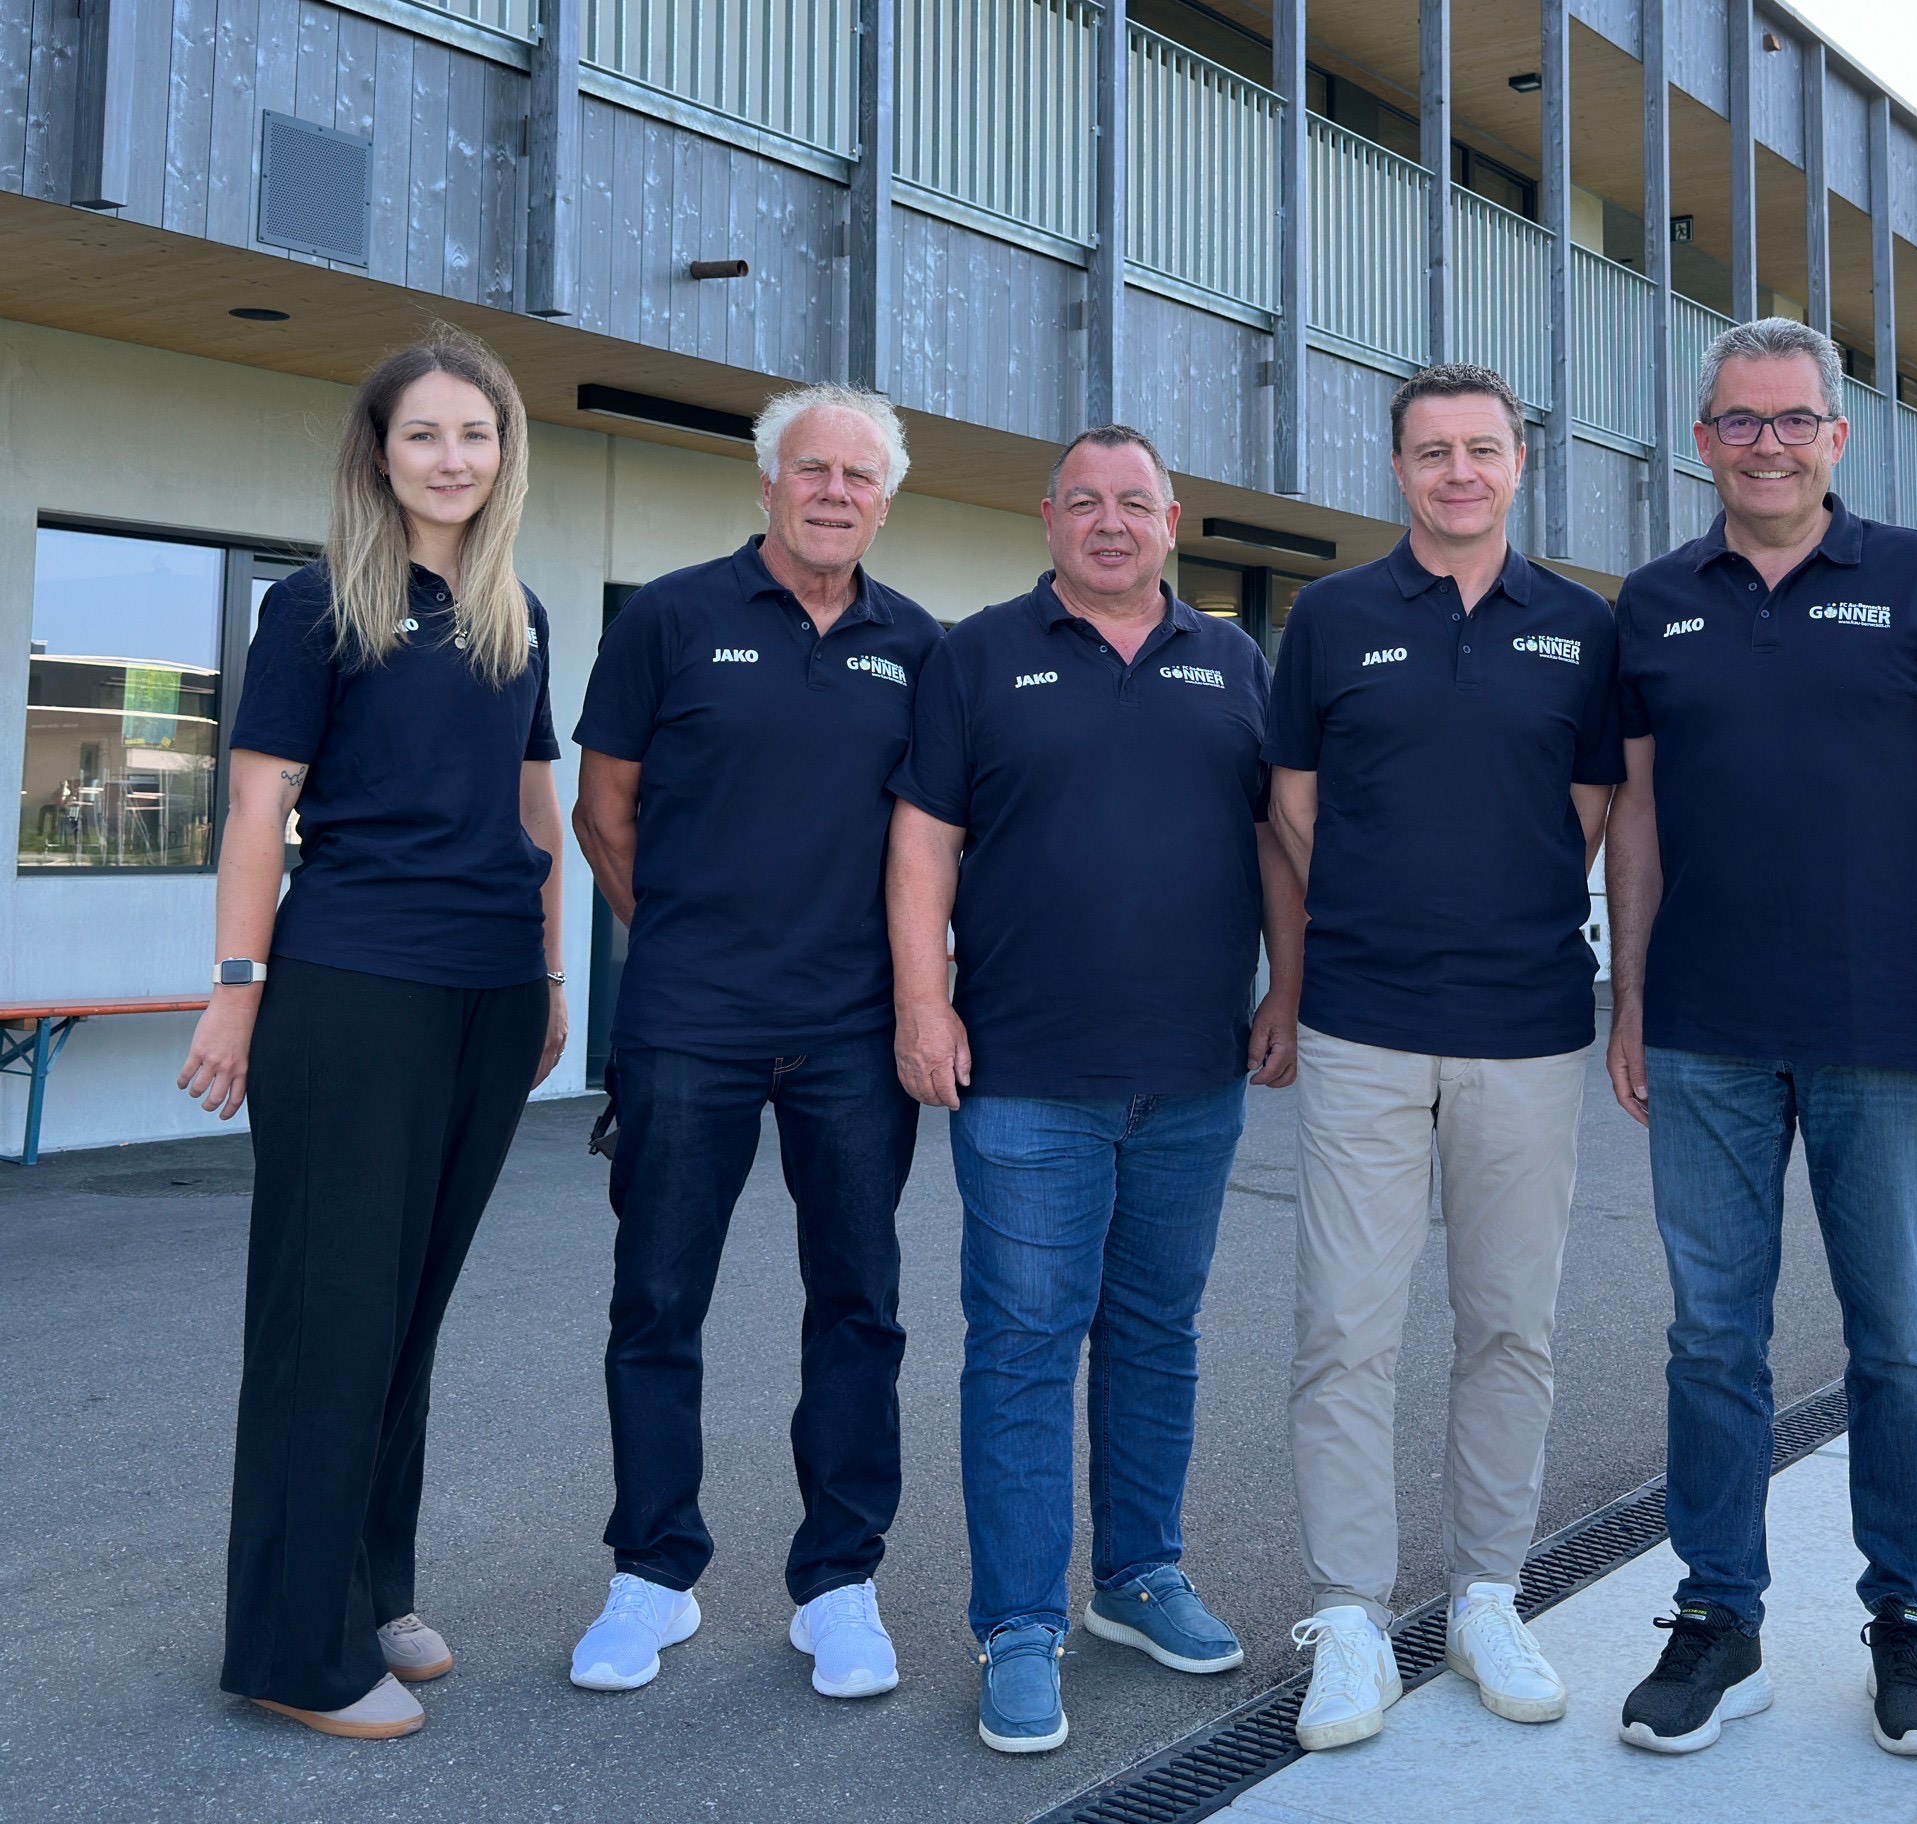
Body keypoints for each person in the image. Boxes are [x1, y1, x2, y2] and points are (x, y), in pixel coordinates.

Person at [1605, 318, 1917, 1759]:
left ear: (1837, 437)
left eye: (1795, 420)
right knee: (1710, 1341)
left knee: (1901, 1341)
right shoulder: (1653, 602)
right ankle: (1719, 1620)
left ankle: (1909, 1616)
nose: (1769, 445)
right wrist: (1631, 1000)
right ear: (1702, 440)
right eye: (1741, 421)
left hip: (1883, 1029)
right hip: (1705, 1036)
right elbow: (1638, 819)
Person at [886, 425, 1302, 1754]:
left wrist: (1288, 987)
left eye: (1135, 502)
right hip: (1025, 1073)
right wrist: (923, 1002)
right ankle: (1019, 1625)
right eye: (1085, 502)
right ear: (1049, 517)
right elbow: (923, 842)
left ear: (1173, 521)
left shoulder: (1235, 662)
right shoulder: (976, 655)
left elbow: (1275, 840)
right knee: (1022, 1345)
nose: (1110, 522)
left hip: (1192, 1073)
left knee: (1155, 1334)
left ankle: (1137, 1575)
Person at [179, 327, 567, 1741]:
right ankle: (296, 1645)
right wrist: (237, 988)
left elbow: (534, 812)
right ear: (380, 453)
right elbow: (256, 810)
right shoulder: (315, 607)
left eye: (477, 434)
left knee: (406, 1308)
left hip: (488, 991)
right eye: (425, 434)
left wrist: (550, 978)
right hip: (353, 985)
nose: (453, 459)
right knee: (328, 1313)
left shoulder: (519, 612)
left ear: (505, 452)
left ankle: (367, 1588)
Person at [1265, 365, 1621, 1750]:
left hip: (1526, 1028)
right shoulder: (1332, 618)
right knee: (1345, 1329)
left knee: (1510, 1328)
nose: (1458, 472)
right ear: (1399, 469)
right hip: (1363, 1022)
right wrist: (1380, 910)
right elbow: (1296, 802)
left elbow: (1588, 808)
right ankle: (1351, 1616)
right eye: (1432, 452)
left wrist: (1497, 910)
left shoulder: (1580, 628)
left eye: (1482, 449)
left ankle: (1486, 1597)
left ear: (1520, 464)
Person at [566, 383, 941, 1700]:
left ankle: (838, 1583)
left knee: (858, 1307)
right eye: (813, 471)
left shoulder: (921, 646)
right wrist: (680, 940)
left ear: (884, 501)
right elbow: (601, 811)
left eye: (859, 476)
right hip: (690, 1025)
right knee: (658, 1301)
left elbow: (938, 839)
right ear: (768, 484)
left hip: (854, 1032)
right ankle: (652, 1574)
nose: (835, 493)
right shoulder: (671, 619)